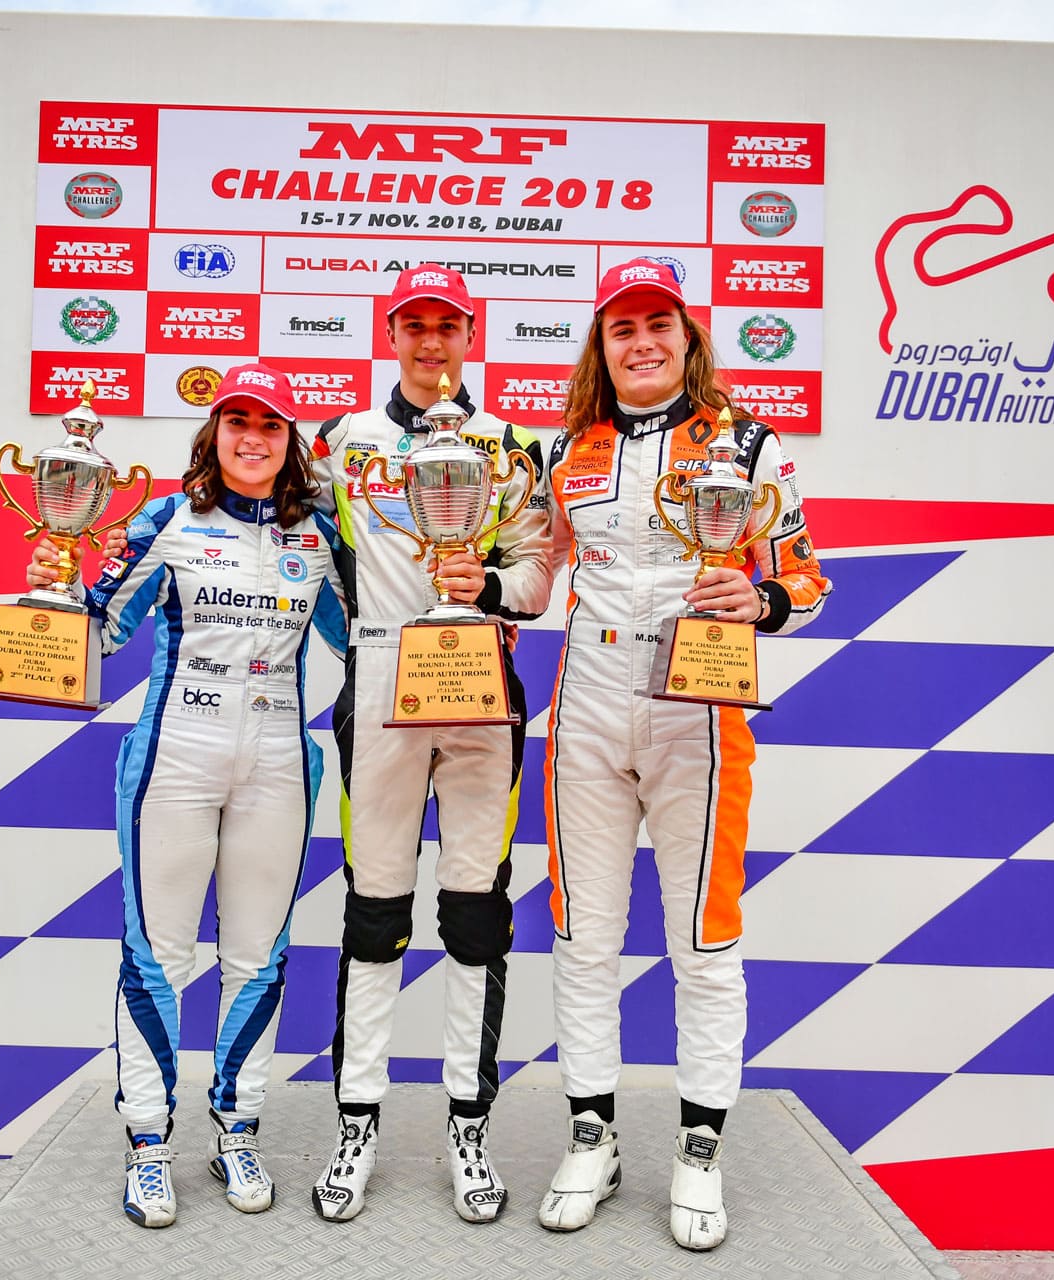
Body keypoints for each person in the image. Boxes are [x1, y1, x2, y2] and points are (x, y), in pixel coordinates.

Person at [534, 259, 831, 1250]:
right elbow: (531, 572)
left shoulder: (747, 443)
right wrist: (467, 580)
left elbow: (804, 577)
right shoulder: (566, 448)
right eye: (622, 328)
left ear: (688, 336)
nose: (642, 342)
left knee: (702, 939)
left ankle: (700, 1150)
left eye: (658, 323)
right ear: (602, 345)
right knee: (583, 934)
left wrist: (763, 599)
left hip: (697, 708)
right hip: (587, 707)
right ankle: (593, 1137)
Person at [33, 363, 349, 1228]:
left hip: (278, 760)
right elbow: (102, 629)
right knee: (157, 957)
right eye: (237, 421)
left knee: (259, 956)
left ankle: (237, 1130)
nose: (253, 438)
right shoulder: (166, 519)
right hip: (176, 754)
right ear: (214, 434)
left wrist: (463, 612)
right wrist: (56, 583)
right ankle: (147, 1143)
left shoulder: (320, 534)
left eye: (271, 425)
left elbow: (364, 637)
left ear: (290, 442)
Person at [303, 263, 554, 1223]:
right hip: (380, 688)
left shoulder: (512, 447)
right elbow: (308, 557)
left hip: (480, 687)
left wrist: (483, 588)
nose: (431, 341)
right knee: (373, 913)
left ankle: (468, 1125)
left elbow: (537, 577)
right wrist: (364, 640)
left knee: (476, 914)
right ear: (392, 333)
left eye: (447, 326)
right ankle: (356, 1121)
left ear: (469, 334)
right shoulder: (341, 442)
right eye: (415, 325)